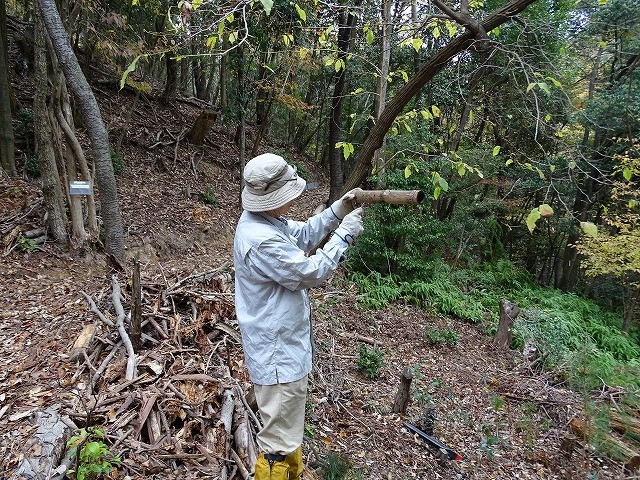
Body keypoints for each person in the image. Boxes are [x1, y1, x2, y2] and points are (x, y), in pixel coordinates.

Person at [233, 153, 365, 480]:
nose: (292, 202)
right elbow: (311, 271)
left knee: (287, 433)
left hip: (285, 351)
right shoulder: (260, 238)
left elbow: (304, 235)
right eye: (287, 196)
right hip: (278, 358)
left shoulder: (265, 221)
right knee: (278, 443)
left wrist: (338, 210)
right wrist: (344, 235)